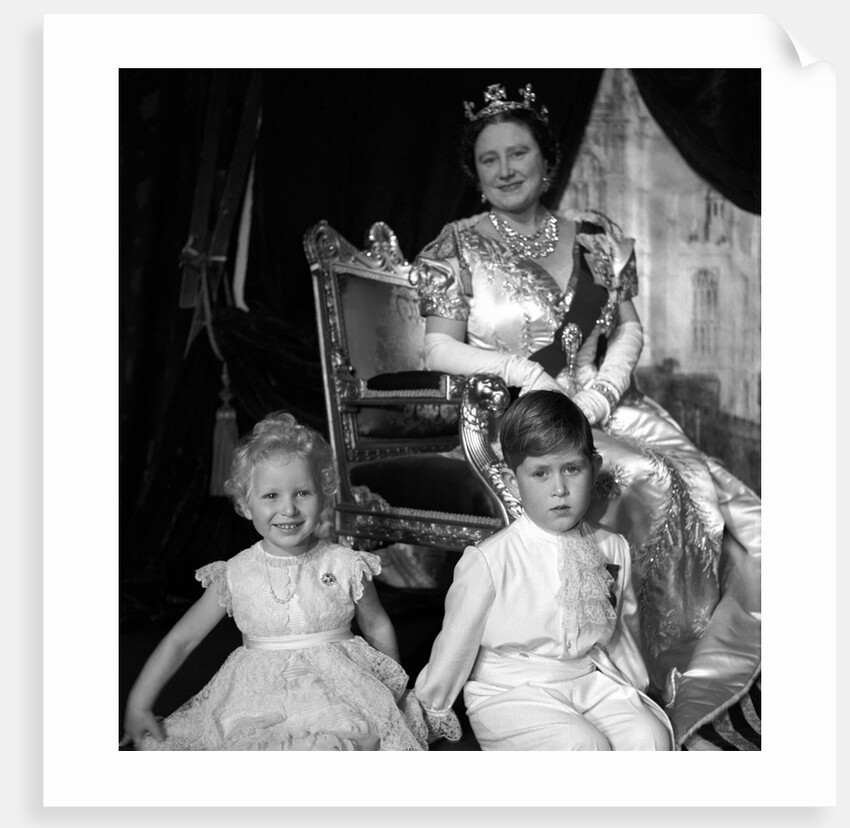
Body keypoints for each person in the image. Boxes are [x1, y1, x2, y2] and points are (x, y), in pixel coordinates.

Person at [409, 83, 761, 749]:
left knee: (707, 487)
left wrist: (600, 393)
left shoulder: (598, 237)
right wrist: (520, 370)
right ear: (475, 172)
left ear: (548, 159)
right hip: (519, 413)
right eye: (491, 160)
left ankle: (704, 665)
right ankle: (655, 674)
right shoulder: (456, 246)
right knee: (641, 482)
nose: (508, 169)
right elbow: (437, 346)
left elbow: (628, 330)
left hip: (606, 401)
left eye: (521, 153)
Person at [120, 411, 426, 751]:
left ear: (323, 496)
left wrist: (389, 690)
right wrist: (139, 703)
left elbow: (376, 623)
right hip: (256, 701)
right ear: (245, 504)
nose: (289, 509)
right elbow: (182, 640)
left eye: (302, 493)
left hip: (336, 697)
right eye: (271, 496)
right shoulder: (236, 573)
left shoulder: (344, 563)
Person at [413, 391, 673, 750]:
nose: (560, 489)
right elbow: (455, 645)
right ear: (511, 481)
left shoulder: (612, 548)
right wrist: (429, 709)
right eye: (540, 473)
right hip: (510, 692)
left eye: (572, 469)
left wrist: (637, 688)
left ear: (593, 469)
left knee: (650, 737)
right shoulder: (491, 559)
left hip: (585, 679)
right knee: (583, 745)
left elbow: (621, 633)